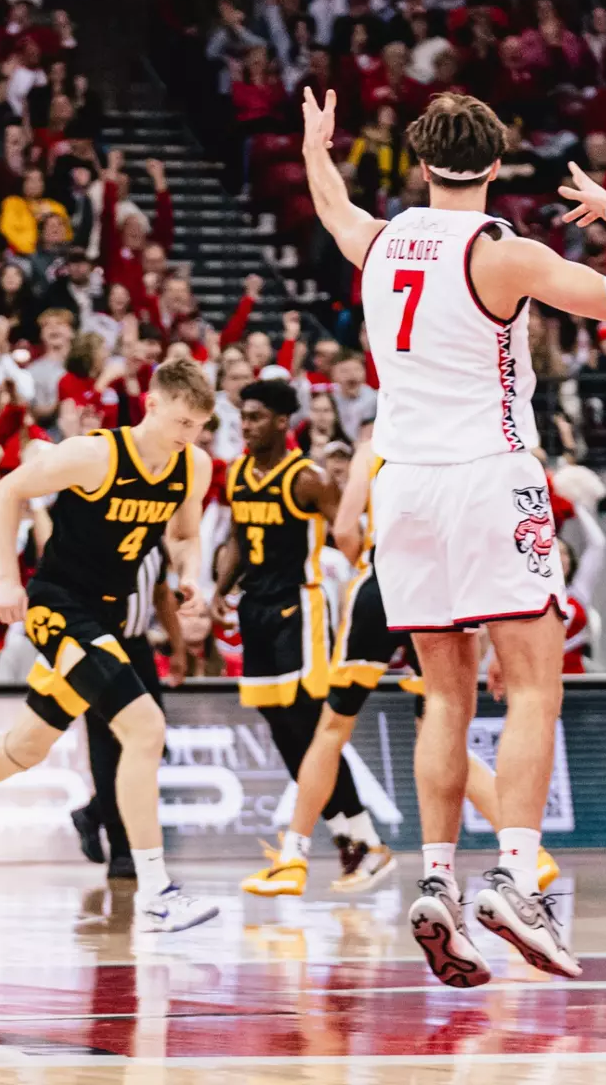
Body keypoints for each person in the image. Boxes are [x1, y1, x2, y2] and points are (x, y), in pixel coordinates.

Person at [301, 88, 606, 987]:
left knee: (443, 696)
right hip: (488, 475)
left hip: (404, 486)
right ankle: (512, 877)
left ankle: (435, 881)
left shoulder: (379, 241)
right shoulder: (503, 252)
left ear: (421, 163)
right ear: (496, 164)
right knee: (535, 684)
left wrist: (316, 144)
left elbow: (332, 205)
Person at [0, 360, 220, 933]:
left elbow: (185, 535)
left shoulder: (193, 466)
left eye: (199, 427)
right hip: (57, 605)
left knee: (27, 746)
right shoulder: (95, 455)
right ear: (153, 405)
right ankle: (156, 892)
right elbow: (13, 489)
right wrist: (11, 579)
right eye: (182, 422)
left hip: (107, 618)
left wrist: (192, 573)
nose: (189, 436)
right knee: (144, 727)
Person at [243, 440, 561, 897]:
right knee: (444, 724)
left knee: (333, 727)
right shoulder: (472, 443)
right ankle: (528, 851)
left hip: (388, 579)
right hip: (449, 586)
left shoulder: (376, 444)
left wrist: (364, 571)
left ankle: (293, 856)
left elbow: (347, 528)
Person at [211, 380, 384, 891]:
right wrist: (221, 588)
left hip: (300, 609)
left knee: (311, 727)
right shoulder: (237, 473)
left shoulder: (307, 479)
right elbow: (239, 541)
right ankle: (345, 834)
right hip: (255, 611)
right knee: (281, 729)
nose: (246, 425)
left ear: (284, 423)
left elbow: (348, 533)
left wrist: (365, 591)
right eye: (243, 416)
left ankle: (364, 835)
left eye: (257, 417)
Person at [71, 540, 188, 880]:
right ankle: (121, 849)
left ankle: (93, 814)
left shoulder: (154, 543)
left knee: (152, 744)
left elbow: (162, 596)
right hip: (99, 647)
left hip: (138, 648)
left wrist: (177, 647)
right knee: (108, 750)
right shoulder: (94, 535)